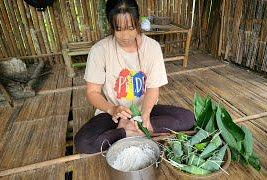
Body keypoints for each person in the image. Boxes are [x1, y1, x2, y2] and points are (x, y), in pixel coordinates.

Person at [74, 0, 195, 154]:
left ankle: (136, 129)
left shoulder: (152, 48)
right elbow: (92, 93)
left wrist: (144, 116)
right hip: (113, 115)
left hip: (145, 111)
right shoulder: (99, 50)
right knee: (83, 142)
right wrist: (113, 109)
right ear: (111, 26)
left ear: (137, 22)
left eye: (131, 28)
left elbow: (153, 89)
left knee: (187, 118)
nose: (125, 36)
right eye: (119, 29)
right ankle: (126, 132)